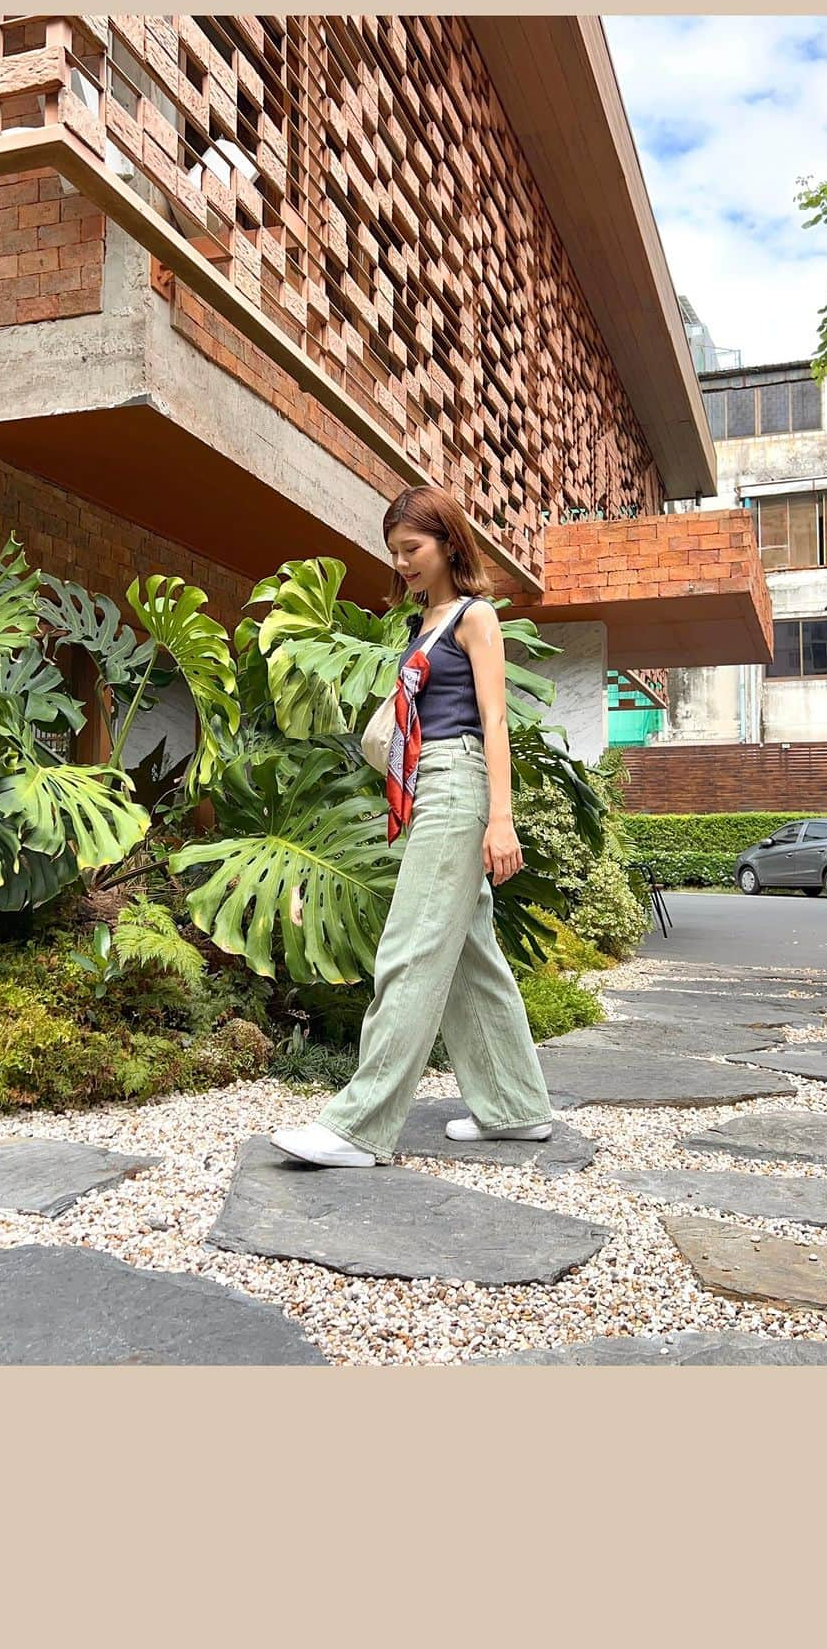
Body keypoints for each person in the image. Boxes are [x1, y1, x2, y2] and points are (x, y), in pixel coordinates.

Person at [270, 484, 554, 1167]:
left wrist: (502, 818)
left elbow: (493, 720)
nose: (401, 562)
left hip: (460, 785)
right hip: (431, 788)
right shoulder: (420, 624)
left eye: (413, 549)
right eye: (393, 551)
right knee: (466, 955)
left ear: (450, 543)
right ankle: (517, 1106)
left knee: (411, 946)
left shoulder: (475, 617)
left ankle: (358, 1127)